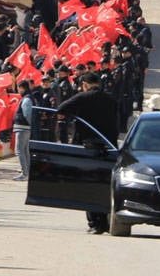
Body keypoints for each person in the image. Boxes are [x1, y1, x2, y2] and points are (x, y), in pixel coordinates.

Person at [56, 73, 120, 234]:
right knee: (105, 185)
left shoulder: (82, 97)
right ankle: (106, 222)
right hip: (109, 147)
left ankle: (95, 224)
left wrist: (75, 116)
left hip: (89, 147)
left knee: (89, 185)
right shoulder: (111, 99)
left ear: (84, 84)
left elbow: (61, 109)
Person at [12, 80, 35, 181]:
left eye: (18, 88)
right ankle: (27, 172)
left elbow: (27, 115)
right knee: (25, 151)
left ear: (22, 88)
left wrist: (30, 125)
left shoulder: (26, 99)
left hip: (23, 128)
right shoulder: (27, 98)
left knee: (19, 150)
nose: (18, 90)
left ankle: (24, 173)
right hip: (24, 128)